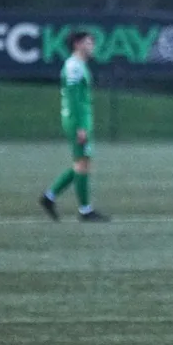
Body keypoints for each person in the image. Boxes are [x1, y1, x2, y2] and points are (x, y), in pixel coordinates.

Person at [39, 31, 109, 222]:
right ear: (77, 44)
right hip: (77, 120)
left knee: (82, 163)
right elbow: (74, 99)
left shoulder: (78, 65)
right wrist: (80, 126)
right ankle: (85, 210)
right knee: (82, 163)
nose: (92, 46)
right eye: (88, 42)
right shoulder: (74, 67)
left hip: (81, 120)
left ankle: (49, 197)